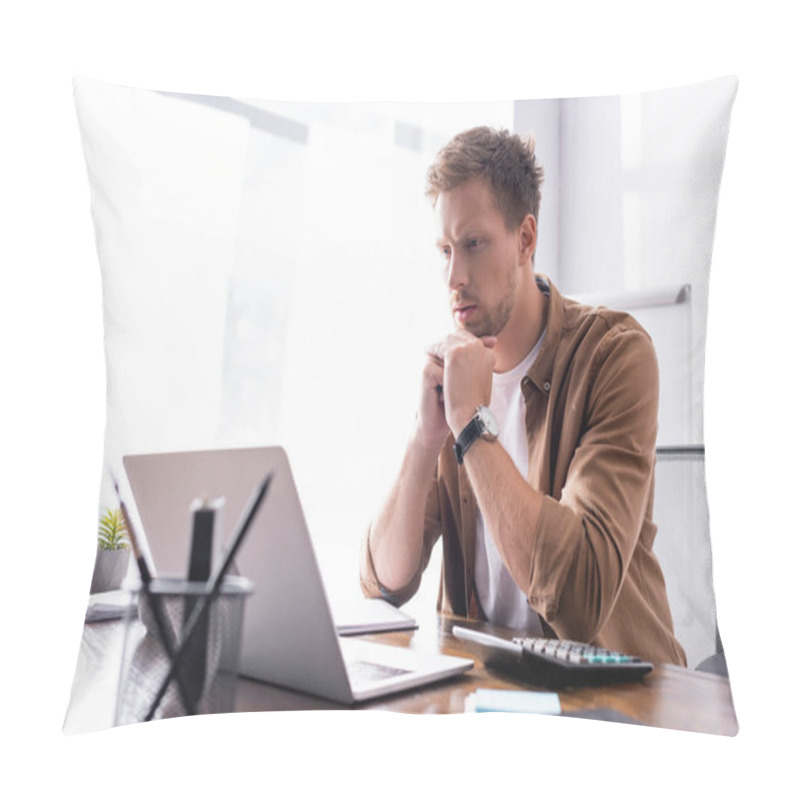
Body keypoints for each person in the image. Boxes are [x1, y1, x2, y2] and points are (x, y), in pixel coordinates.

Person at [360, 126, 686, 666]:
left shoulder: (616, 356)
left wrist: (470, 425)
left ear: (525, 239)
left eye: (474, 244)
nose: (454, 276)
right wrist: (425, 441)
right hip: (491, 692)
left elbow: (578, 597)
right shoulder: (455, 372)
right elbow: (384, 584)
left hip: (623, 705)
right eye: (444, 250)